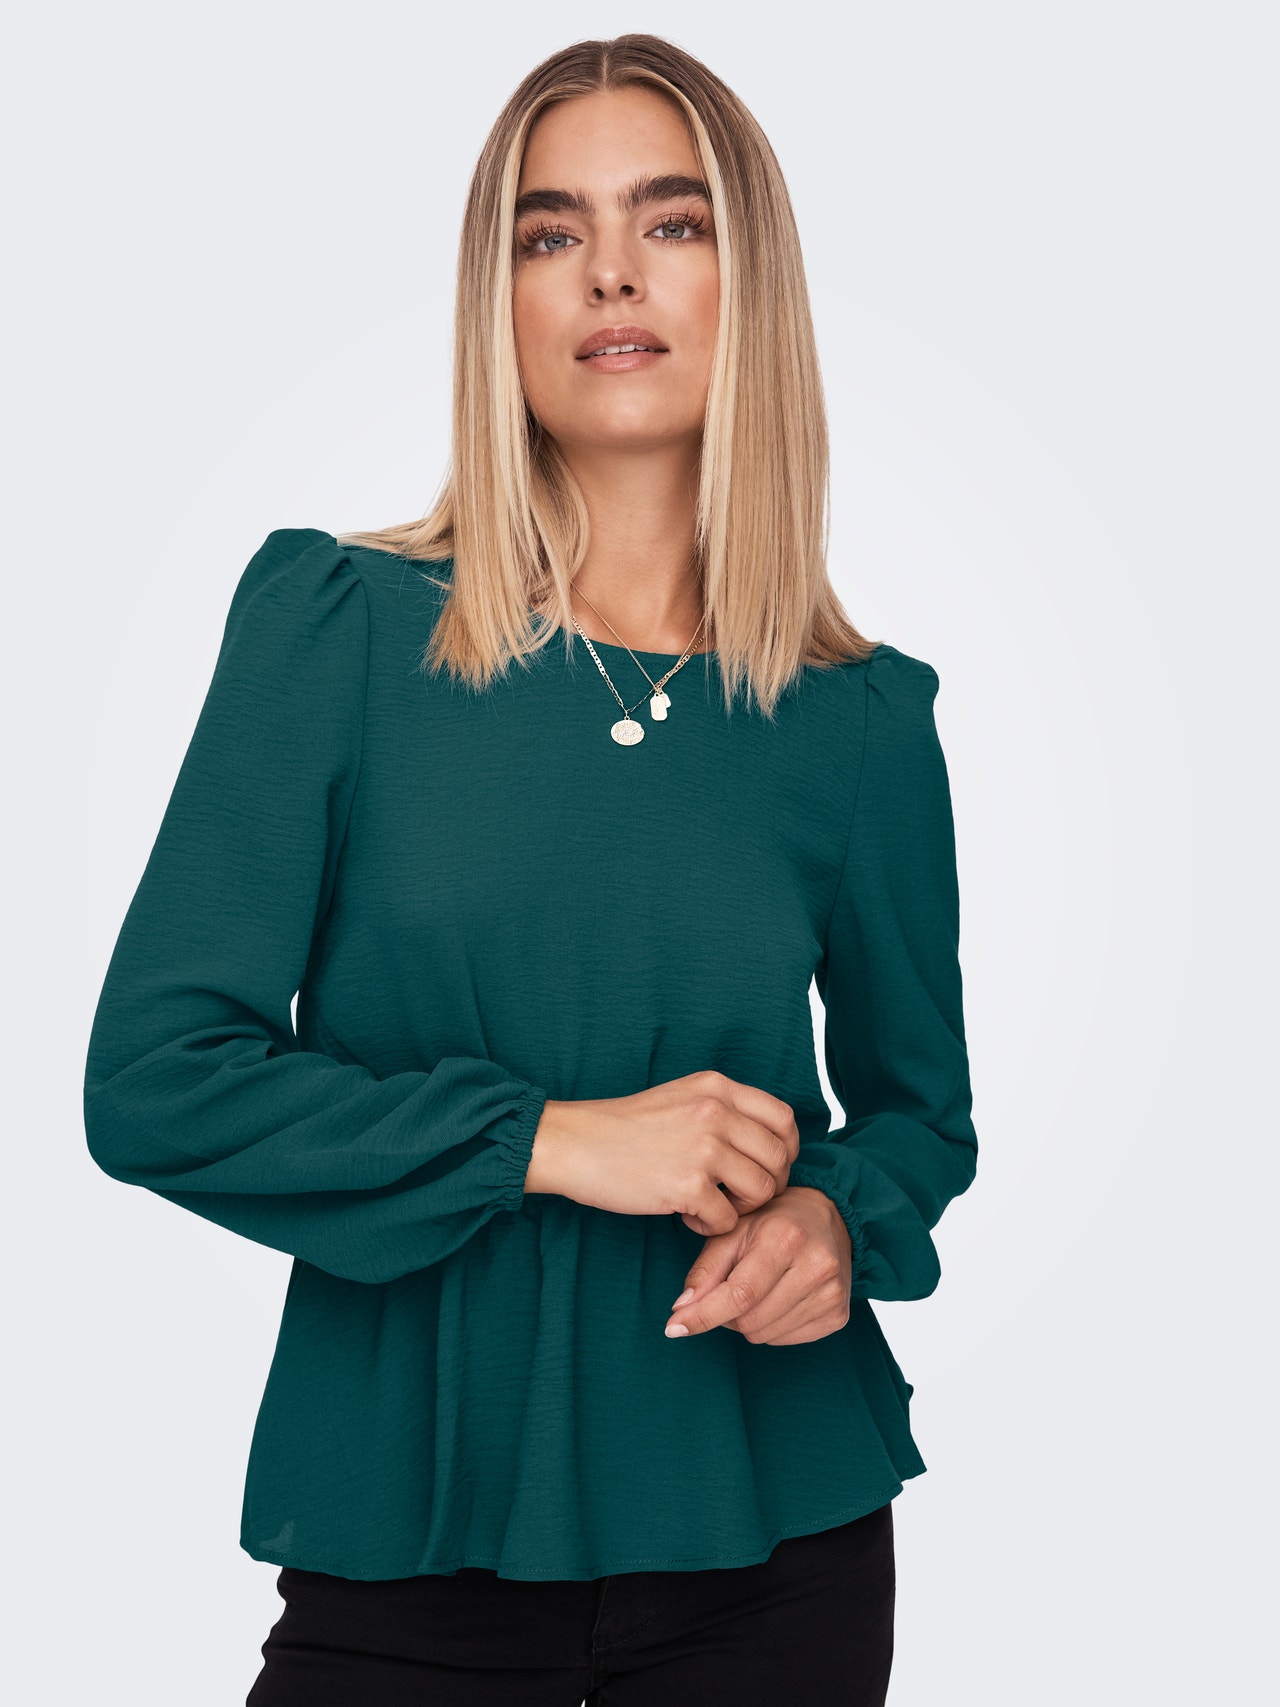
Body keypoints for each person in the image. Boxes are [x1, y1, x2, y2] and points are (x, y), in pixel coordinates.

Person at [83, 31, 978, 1707]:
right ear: (494, 301)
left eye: (674, 222)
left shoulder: (857, 721)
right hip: (407, 1543)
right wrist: (555, 1142)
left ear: (751, 286)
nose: (611, 272)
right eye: (550, 231)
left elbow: (922, 1118)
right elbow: (155, 1084)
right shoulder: (340, 631)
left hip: (775, 1545)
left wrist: (834, 1224)